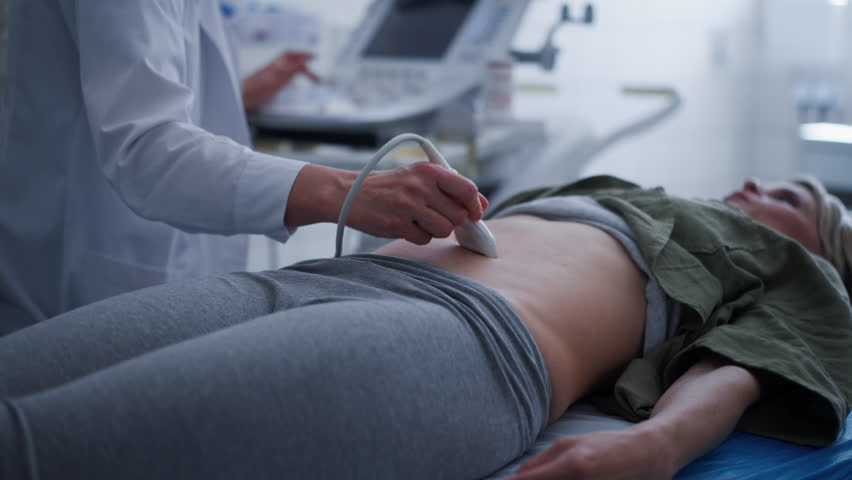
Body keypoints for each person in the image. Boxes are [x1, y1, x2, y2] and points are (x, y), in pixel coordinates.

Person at [0, 173, 851, 480]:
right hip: (339, 277)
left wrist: (657, 448)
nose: (752, 186)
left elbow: (744, 368)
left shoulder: (802, 280)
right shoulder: (626, 188)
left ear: (823, 247)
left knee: (37, 450)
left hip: (468, 347)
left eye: (786, 197)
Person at [0, 0, 487, 328]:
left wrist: (235, 96)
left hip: (139, 282)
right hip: (75, 293)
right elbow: (145, 151)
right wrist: (346, 191)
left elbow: (132, 81)